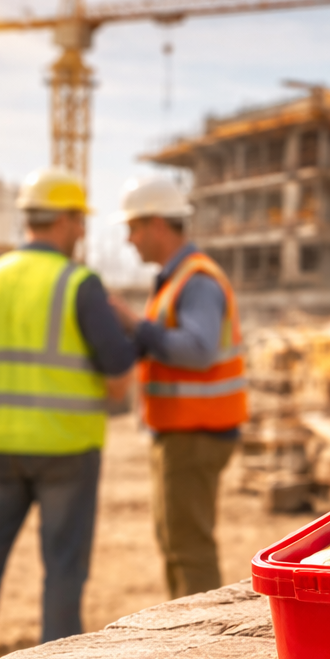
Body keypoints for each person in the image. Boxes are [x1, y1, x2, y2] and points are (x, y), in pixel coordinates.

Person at [0, 166, 135, 659]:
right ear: (65, 220)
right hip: (68, 449)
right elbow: (119, 376)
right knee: (63, 569)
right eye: (80, 221)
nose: (82, 231)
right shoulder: (79, 284)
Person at [113, 178, 248, 599]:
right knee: (175, 542)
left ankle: (201, 633)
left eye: (133, 228)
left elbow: (198, 351)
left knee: (189, 548)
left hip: (196, 433)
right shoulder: (177, 280)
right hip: (183, 432)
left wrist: (135, 325)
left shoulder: (196, 280)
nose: (129, 239)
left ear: (157, 224)